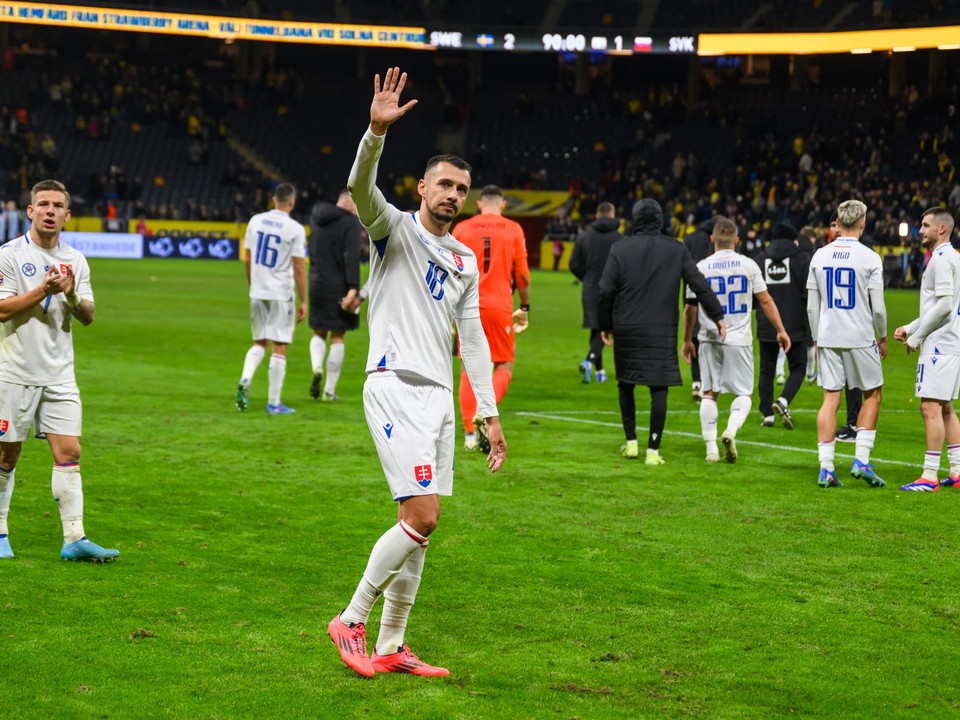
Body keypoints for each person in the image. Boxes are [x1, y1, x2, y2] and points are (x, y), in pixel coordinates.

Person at [327, 67, 506, 679]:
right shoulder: (392, 229)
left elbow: (473, 337)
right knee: (421, 516)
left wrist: (488, 407)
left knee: (423, 526)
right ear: (423, 187)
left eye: (461, 187)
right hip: (393, 383)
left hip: (437, 397)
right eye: (444, 184)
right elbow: (359, 185)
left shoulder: (462, 257)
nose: (453, 194)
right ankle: (350, 620)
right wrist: (375, 132)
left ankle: (392, 644)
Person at [0, 179, 119, 561]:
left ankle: (74, 539)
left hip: (60, 374)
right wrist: (44, 290)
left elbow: (88, 316)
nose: (50, 211)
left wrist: (69, 293)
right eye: (43, 204)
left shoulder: (76, 260)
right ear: (30, 211)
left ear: (67, 215)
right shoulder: (9, 255)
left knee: (70, 452)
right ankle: (0, 534)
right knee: (6, 455)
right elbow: (2, 309)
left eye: (57, 206)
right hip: (14, 371)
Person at [597, 198, 725, 465]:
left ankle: (631, 442)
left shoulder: (619, 249)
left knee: (626, 384)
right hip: (661, 329)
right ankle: (653, 451)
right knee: (659, 388)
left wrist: (605, 325)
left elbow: (605, 290)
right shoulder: (675, 249)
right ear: (660, 220)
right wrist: (717, 315)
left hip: (627, 327)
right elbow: (699, 285)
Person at [683, 217, 791, 463]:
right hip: (739, 339)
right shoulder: (749, 265)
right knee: (743, 394)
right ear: (737, 240)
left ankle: (711, 449)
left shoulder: (700, 266)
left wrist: (687, 339)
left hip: (709, 339)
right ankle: (730, 430)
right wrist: (781, 330)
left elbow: (690, 308)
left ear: (712, 239)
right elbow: (765, 301)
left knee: (709, 394)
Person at [807, 199, 887, 488]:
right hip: (859, 336)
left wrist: (817, 338)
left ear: (838, 223)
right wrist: (882, 336)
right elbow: (877, 308)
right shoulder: (870, 258)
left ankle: (826, 468)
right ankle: (861, 460)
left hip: (828, 336)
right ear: (863, 223)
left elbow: (812, 306)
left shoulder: (819, 256)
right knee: (872, 394)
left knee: (830, 398)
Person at [453, 184, 530, 452]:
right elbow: (521, 274)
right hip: (499, 306)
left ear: (479, 204)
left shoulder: (462, 228)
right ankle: (483, 413)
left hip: (465, 305)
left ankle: (470, 436)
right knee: (504, 364)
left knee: (467, 367)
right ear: (503, 204)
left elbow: (450, 270)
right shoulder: (513, 229)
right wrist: (525, 305)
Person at [894, 208, 960, 491]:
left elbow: (944, 306)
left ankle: (929, 475)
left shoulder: (942, 260)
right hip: (950, 342)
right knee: (946, 408)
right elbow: (941, 305)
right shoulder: (952, 257)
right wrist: (910, 327)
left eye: (925, 225)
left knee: (929, 406)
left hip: (939, 346)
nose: (919, 230)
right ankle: (957, 472)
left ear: (942, 229)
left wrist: (917, 336)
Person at [235, 183, 307, 415]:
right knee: (280, 345)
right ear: (292, 202)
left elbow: (247, 260)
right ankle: (274, 403)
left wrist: (252, 284)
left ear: (273, 198)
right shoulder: (295, 229)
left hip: (257, 291)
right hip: (280, 294)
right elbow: (298, 269)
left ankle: (245, 379)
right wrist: (304, 300)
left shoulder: (255, 221)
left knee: (259, 342)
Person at [307, 188, 364, 402]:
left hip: (317, 282)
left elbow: (310, 248)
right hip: (339, 285)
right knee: (338, 337)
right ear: (348, 202)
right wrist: (353, 287)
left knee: (318, 332)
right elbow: (351, 257)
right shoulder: (350, 222)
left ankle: (316, 367)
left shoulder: (316, 216)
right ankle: (329, 391)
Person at [755, 222, 811, 429]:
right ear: (793, 240)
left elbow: (755, 295)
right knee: (798, 368)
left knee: (767, 369)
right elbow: (809, 293)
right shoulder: (802, 259)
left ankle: (766, 414)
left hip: (767, 323)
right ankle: (784, 400)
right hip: (795, 323)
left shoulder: (759, 261)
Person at [569, 201, 622, 384]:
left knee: (596, 328)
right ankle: (589, 361)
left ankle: (599, 371)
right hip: (614, 290)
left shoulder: (584, 237)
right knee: (606, 329)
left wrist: (588, 278)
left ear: (597, 216)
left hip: (591, 289)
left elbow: (574, 264)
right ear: (613, 215)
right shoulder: (621, 239)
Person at [828, 210, 864, 442]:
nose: (833, 229)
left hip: (839, 330)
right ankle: (854, 429)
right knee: (847, 385)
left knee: (848, 386)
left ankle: (853, 425)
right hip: (849, 329)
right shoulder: (866, 254)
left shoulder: (822, 255)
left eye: (834, 224)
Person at [682, 216, 718, 400]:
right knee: (713, 334)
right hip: (715, 290)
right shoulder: (717, 237)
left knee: (694, 336)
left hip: (691, 288)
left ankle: (696, 381)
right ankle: (711, 381)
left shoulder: (689, 238)